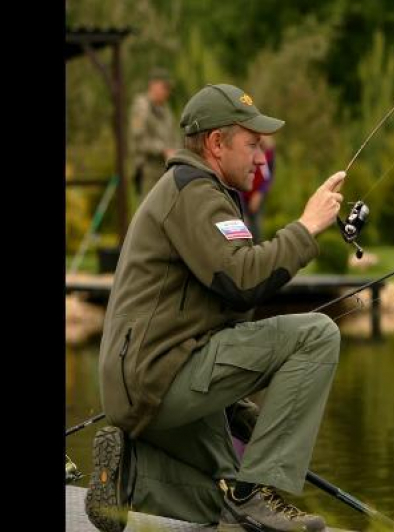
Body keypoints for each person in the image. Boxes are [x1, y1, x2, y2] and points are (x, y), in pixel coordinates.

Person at [85, 83, 346, 532]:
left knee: (222, 498)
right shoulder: (195, 192)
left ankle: (129, 478)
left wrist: (235, 404)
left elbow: (215, 313)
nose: (261, 157)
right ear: (216, 143)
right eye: (253, 144)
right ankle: (253, 492)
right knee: (317, 333)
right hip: (157, 379)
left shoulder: (193, 189)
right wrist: (307, 228)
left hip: (141, 383)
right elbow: (242, 280)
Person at [130, 67, 180, 201]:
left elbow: (173, 137)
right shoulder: (142, 107)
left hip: (165, 172)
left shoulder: (166, 110)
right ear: (153, 85)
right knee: (149, 215)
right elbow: (139, 141)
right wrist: (162, 150)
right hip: (148, 173)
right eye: (164, 87)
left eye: (168, 88)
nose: (167, 92)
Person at [239, 135, 276, 241]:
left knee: (256, 226)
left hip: (256, 194)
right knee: (243, 224)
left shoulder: (269, 151)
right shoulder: (244, 148)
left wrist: (259, 193)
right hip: (241, 193)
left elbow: (269, 176)